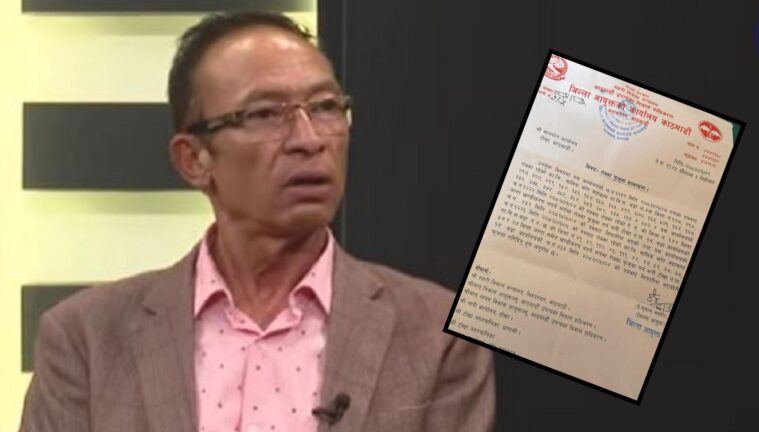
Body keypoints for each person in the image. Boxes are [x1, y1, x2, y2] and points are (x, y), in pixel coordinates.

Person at [20, 12, 495, 432]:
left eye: (326, 107)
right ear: (194, 159)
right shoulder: (87, 339)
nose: (309, 140)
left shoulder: (434, 337)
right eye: (266, 113)